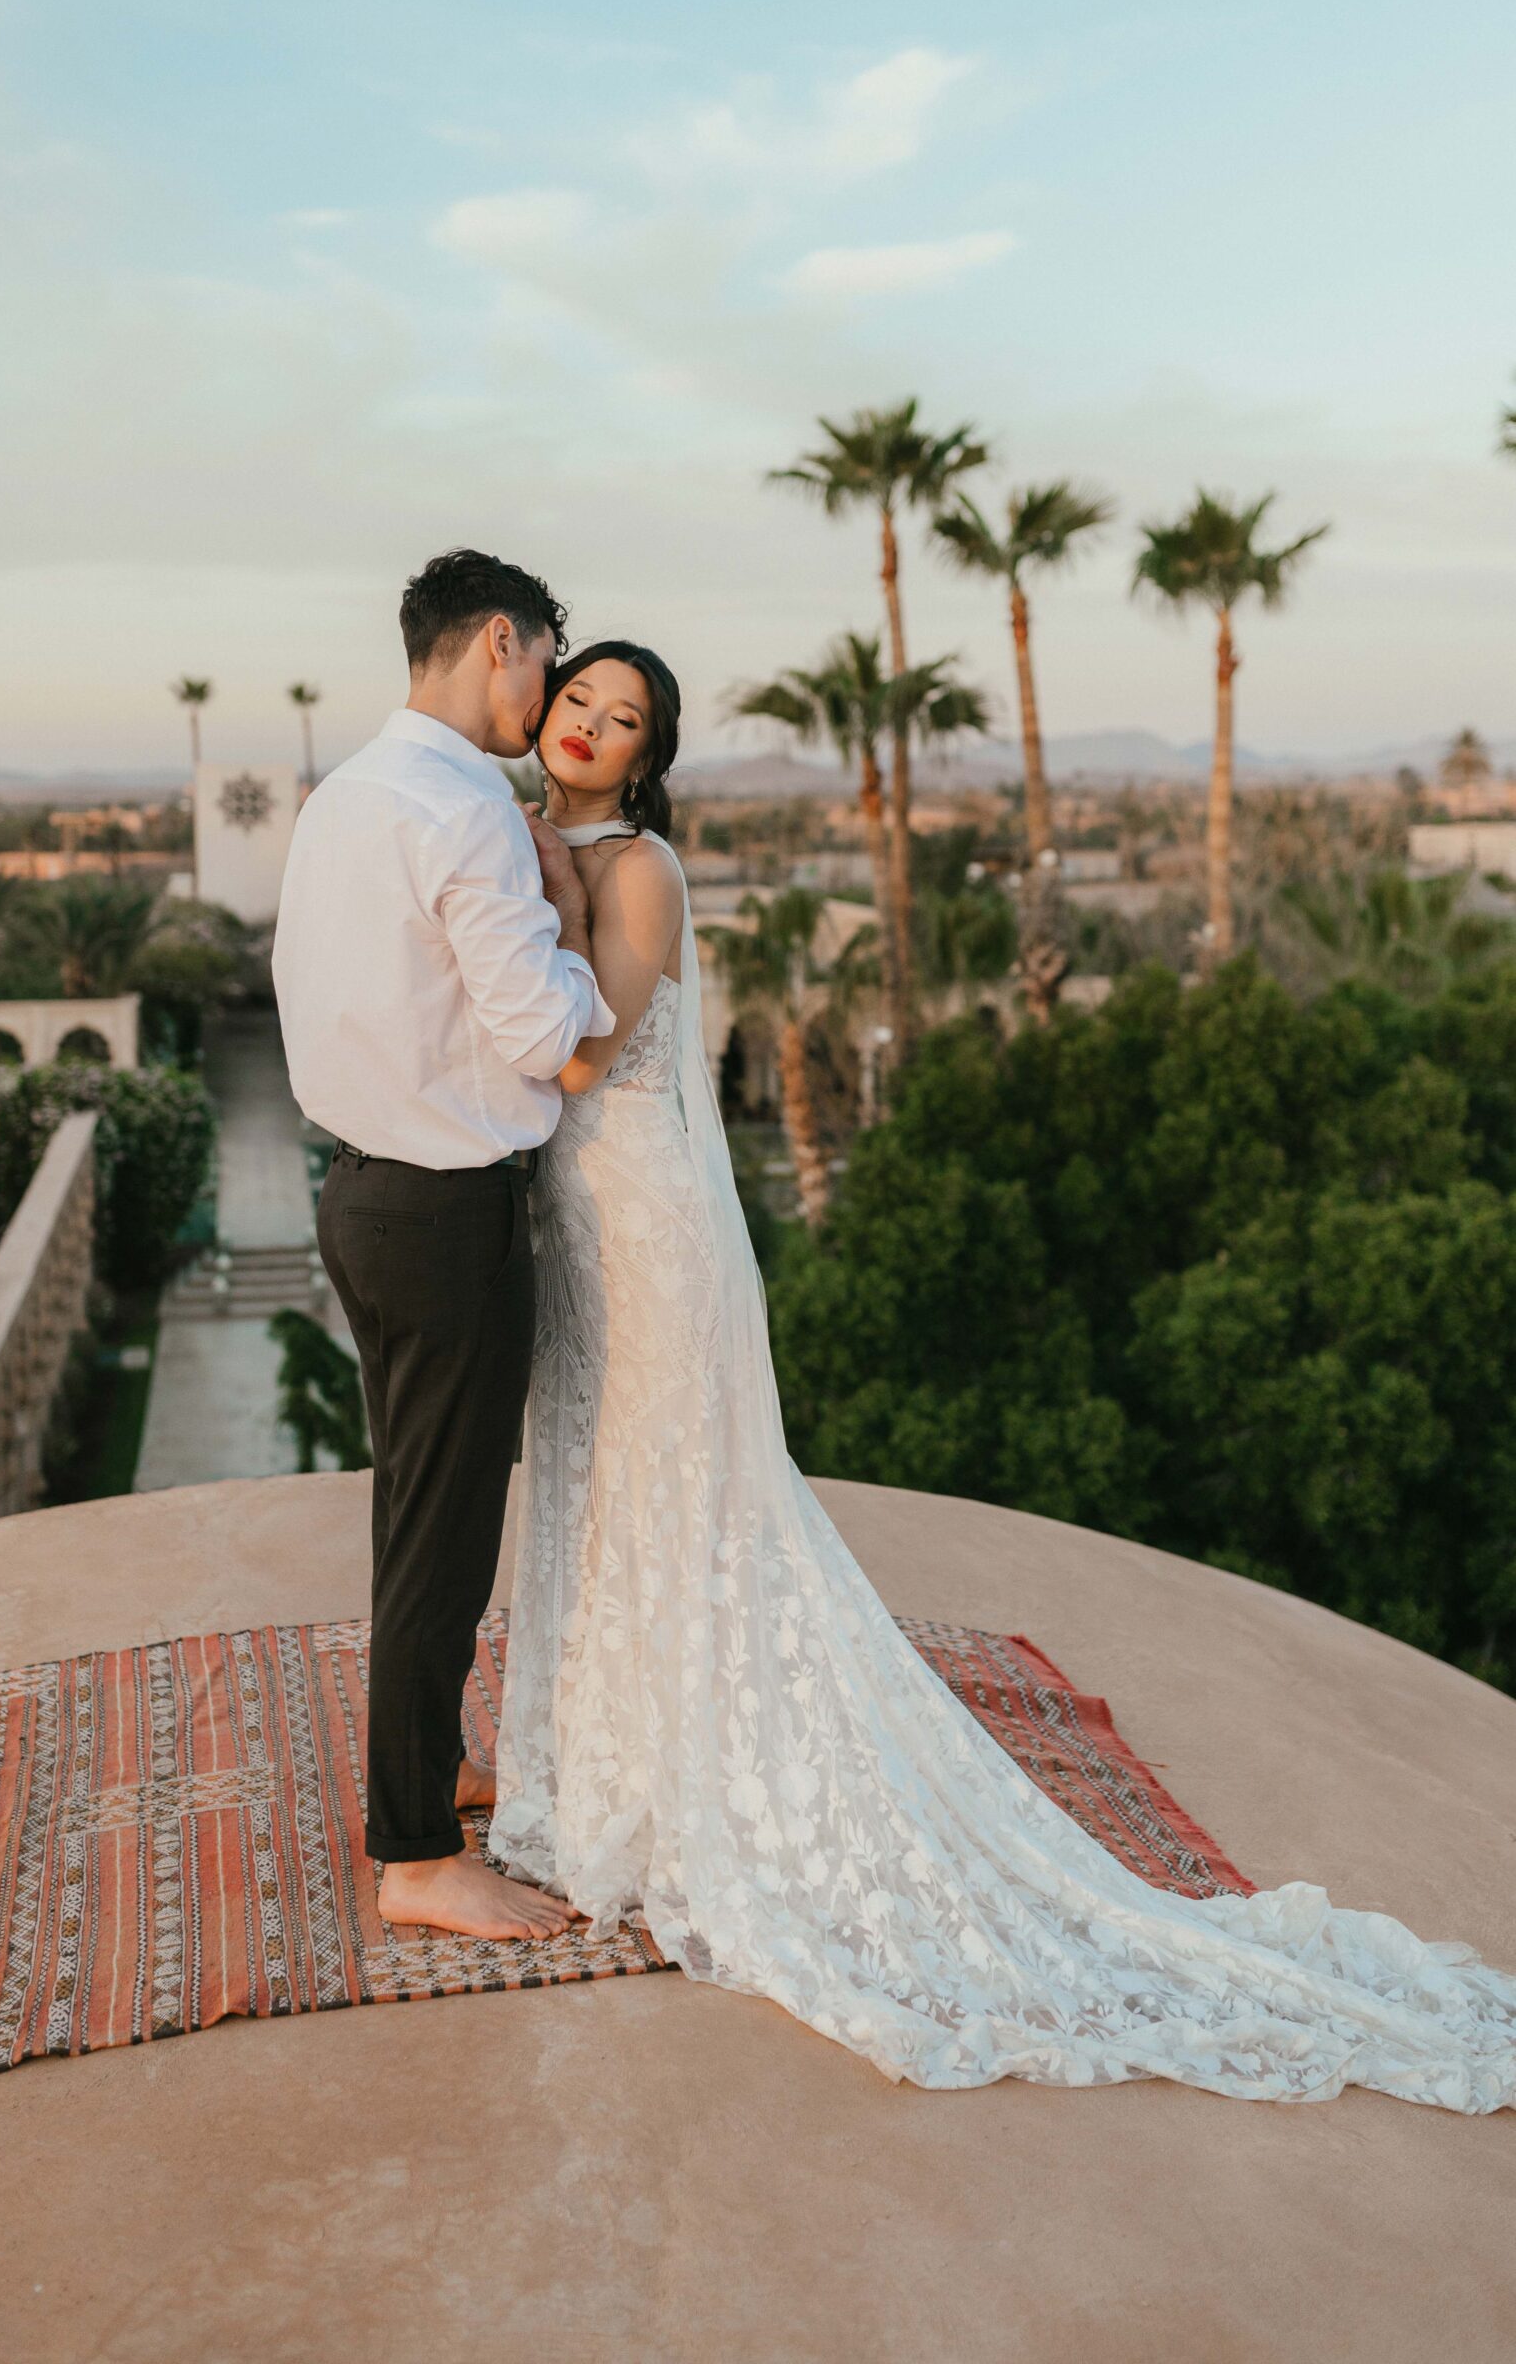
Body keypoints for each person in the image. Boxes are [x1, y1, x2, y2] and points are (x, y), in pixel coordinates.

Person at [489, 641, 1516, 2108]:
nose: (589, 726)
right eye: (577, 700)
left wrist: (570, 895)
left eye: (623, 718)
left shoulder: (636, 869)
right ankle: (611, 1761)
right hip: (576, 1223)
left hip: (646, 1220)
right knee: (595, 1480)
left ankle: (691, 1775)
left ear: (650, 755)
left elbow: (589, 1059)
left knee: (674, 1485)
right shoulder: (533, 837)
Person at [273, 547, 612, 1942]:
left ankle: (424, 1774)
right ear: (499, 642)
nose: (546, 695)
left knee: (417, 1508)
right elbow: (548, 1030)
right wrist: (582, 931)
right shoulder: (469, 808)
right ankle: (414, 1855)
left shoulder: (347, 796)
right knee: (444, 1529)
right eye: (544, 662)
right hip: (444, 1209)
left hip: (359, 1194)